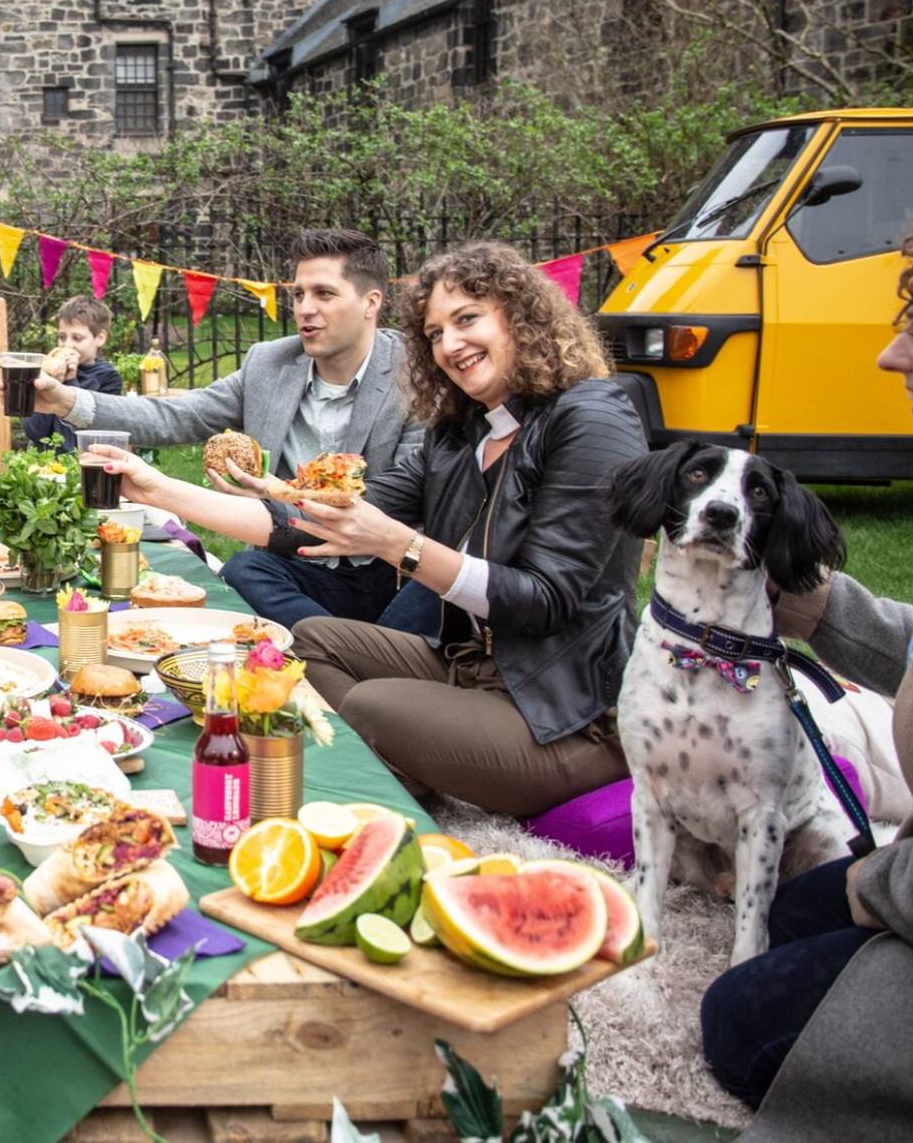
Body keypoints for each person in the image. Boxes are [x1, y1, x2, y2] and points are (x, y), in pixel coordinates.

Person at [87, 241, 646, 816]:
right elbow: (315, 521)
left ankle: (384, 764)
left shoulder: (591, 417)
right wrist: (156, 487)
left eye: (467, 320)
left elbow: (546, 600)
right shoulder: (459, 432)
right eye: (434, 333)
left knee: (373, 707)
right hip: (469, 667)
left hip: (566, 712)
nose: (450, 345)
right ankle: (408, 769)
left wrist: (397, 546)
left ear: (521, 316)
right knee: (303, 643)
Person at [697, 200, 913, 1137]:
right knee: (786, 908)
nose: (894, 358)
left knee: (737, 1023)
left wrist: (876, 889)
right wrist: (812, 606)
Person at [32, 229, 432, 633]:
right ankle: (347, 649)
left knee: (424, 597)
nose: (305, 309)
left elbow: (400, 501)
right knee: (244, 571)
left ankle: (338, 652)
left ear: (371, 303)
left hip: (381, 568)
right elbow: (177, 415)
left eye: (324, 294)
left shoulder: (412, 375)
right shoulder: (269, 364)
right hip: (288, 561)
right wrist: (64, 400)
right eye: (298, 295)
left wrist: (278, 492)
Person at [22, 295, 125, 452]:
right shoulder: (45, 372)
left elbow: (77, 442)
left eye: (77, 338)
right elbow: (34, 431)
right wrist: (50, 381)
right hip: (42, 463)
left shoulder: (108, 378)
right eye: (62, 337)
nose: (68, 345)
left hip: (80, 463)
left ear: (100, 338)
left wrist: (70, 382)